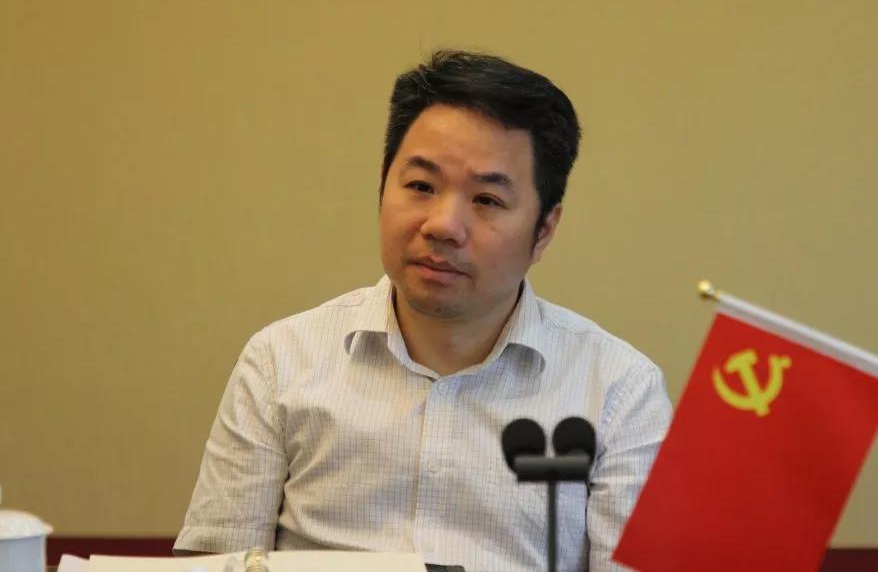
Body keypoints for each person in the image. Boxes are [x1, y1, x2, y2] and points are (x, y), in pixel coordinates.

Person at [174, 50, 672, 571]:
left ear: (544, 229)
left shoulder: (618, 391)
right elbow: (216, 565)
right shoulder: (281, 360)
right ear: (381, 186)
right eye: (420, 187)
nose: (442, 225)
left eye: (487, 200)